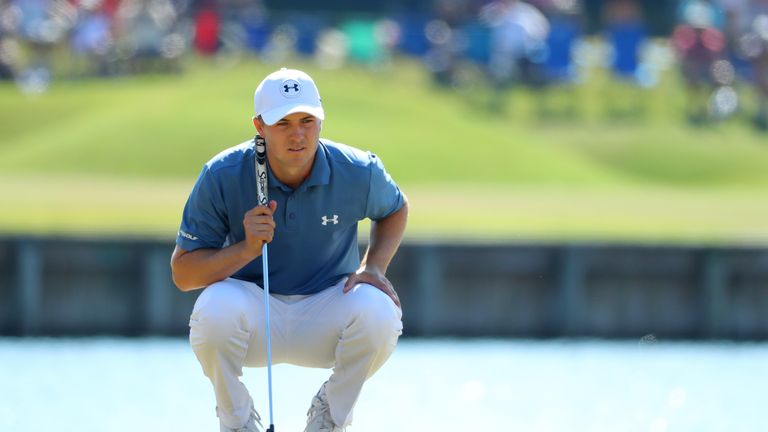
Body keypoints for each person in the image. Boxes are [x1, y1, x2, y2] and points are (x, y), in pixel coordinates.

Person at [170, 67, 407, 432]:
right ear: (259, 126)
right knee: (213, 309)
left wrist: (374, 267)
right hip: (252, 313)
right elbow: (184, 274)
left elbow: (394, 208)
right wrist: (246, 249)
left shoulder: (357, 170)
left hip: (328, 307)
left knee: (379, 309)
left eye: (307, 120)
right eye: (283, 123)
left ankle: (330, 415)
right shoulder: (223, 173)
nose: (297, 134)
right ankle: (237, 422)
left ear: (321, 120)